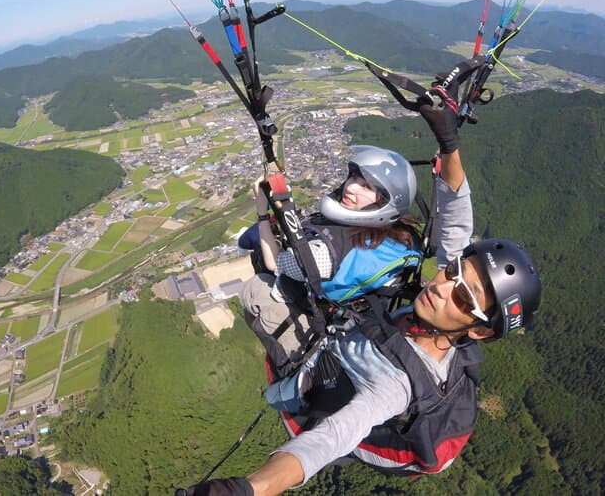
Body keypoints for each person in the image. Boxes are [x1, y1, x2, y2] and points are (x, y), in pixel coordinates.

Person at [180, 98, 542, 496]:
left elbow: (329, 440)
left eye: (462, 296)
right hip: (350, 331)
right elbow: (457, 214)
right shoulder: (437, 314)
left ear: (479, 332)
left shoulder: (396, 386)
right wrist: (448, 141)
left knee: (256, 292)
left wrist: (248, 489)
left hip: (320, 379)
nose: (441, 286)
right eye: (452, 271)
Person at [238, 145, 423, 377]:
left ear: (383, 203)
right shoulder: (403, 237)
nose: (351, 186)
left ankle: (283, 360)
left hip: (319, 316)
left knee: (252, 288)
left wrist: (262, 212)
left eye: (366, 186)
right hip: (358, 307)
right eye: (355, 176)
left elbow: (275, 263)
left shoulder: (326, 253)